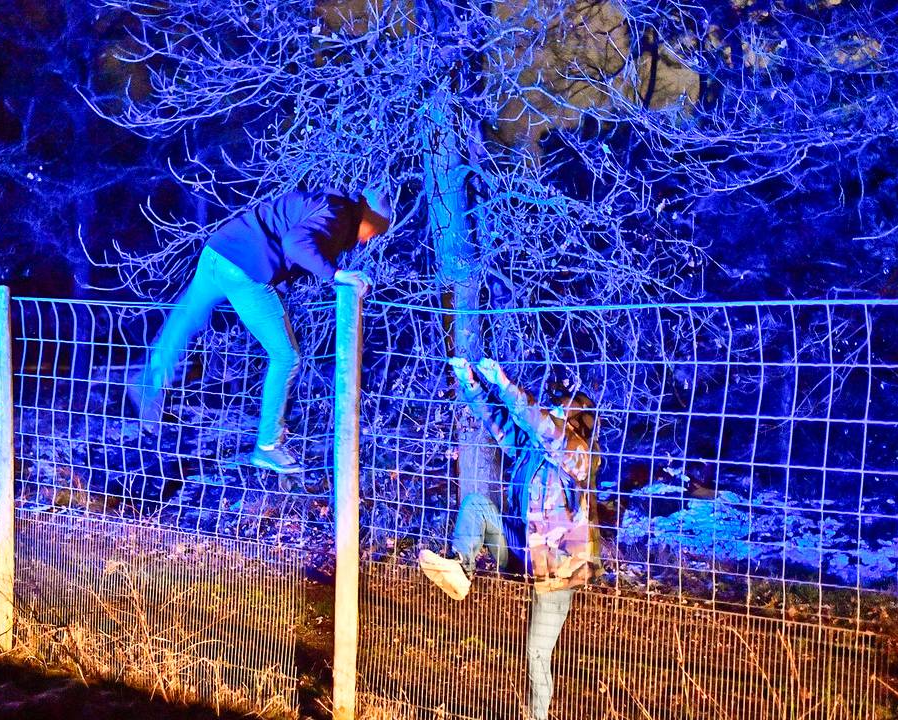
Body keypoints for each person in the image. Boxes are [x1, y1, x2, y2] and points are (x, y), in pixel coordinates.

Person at [134, 186, 390, 474]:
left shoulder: (328, 202)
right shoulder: (338, 215)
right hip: (246, 269)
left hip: (219, 250)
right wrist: (336, 275)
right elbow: (296, 243)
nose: (370, 241)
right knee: (286, 356)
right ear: (369, 217)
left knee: (188, 316)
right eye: (376, 231)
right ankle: (268, 446)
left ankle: (150, 380)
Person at [418, 357, 601, 720]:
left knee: (536, 652)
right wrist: (470, 383)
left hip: (558, 570)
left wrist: (503, 382)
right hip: (523, 550)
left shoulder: (580, 455)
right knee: (476, 506)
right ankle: (460, 569)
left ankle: (538, 716)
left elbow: (544, 428)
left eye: (559, 411)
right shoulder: (533, 452)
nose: (551, 413)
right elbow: (498, 422)